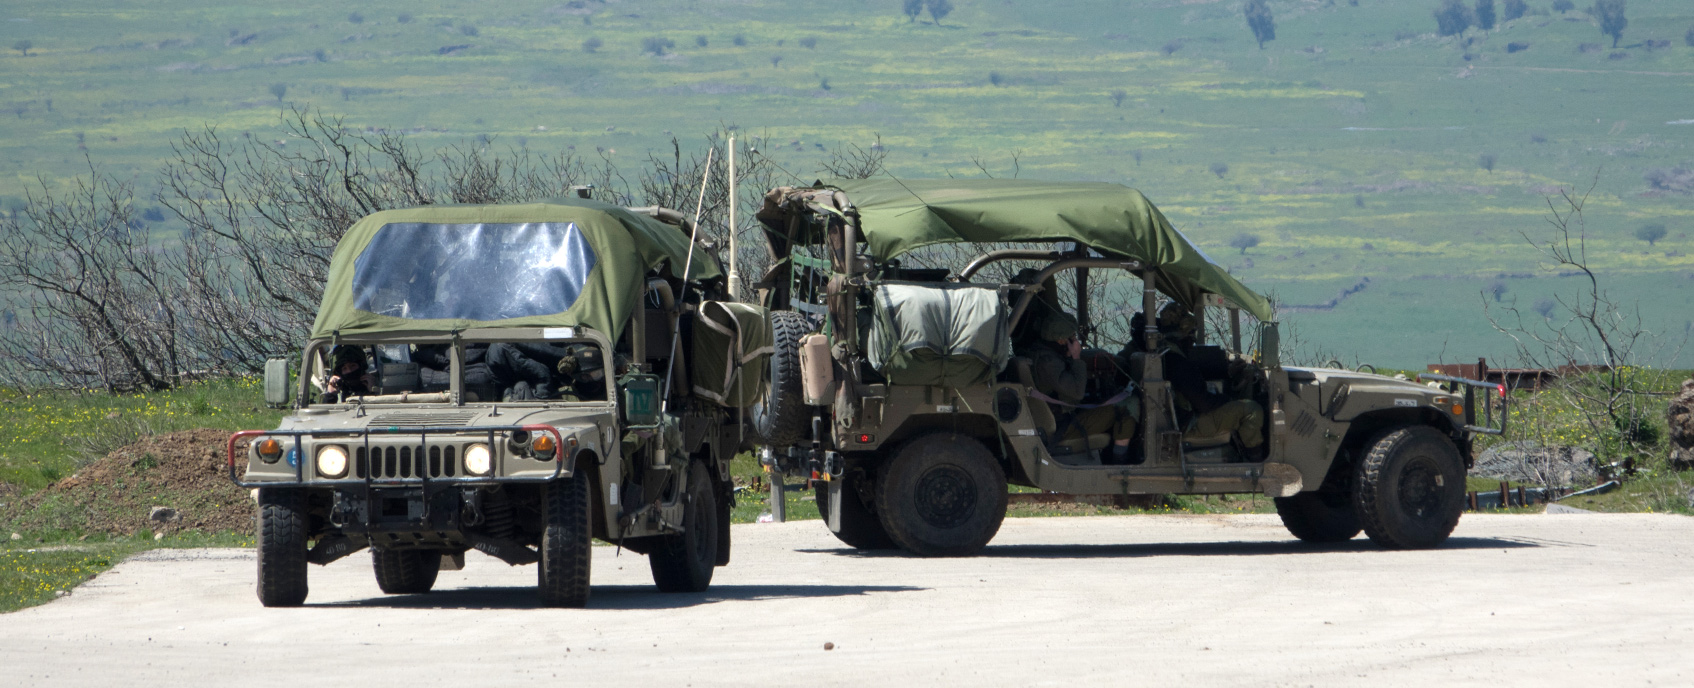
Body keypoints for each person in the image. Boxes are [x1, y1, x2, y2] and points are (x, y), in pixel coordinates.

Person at [1155, 303, 1266, 459]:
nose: (1193, 339)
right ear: (1183, 332)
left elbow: (1197, 376)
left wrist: (1227, 372)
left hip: (1180, 419)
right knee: (1251, 410)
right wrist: (1229, 400)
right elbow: (1204, 403)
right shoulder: (1178, 362)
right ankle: (1257, 464)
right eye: (1192, 333)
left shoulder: (1166, 353)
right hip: (1189, 423)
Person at [1027, 312, 1139, 464]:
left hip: (1062, 417)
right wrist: (1076, 358)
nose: (1075, 340)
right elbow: (1077, 393)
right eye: (1072, 336)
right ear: (1061, 340)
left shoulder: (1042, 353)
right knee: (1127, 407)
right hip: (1064, 427)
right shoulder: (1048, 363)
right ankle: (1120, 464)